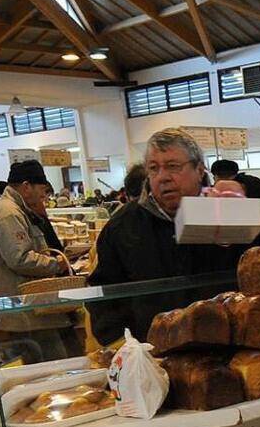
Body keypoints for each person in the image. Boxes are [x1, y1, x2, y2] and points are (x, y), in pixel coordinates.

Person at [87, 128, 243, 343]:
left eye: (173, 166)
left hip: (227, 347)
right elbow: (103, 293)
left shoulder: (226, 210)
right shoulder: (122, 226)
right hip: (153, 353)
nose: (163, 177)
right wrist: (122, 345)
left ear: (199, 169)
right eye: (153, 169)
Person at [0, 161, 77, 360]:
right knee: (51, 366)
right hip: (23, 312)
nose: (43, 196)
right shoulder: (9, 212)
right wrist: (56, 263)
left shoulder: (16, 209)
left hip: (29, 310)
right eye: (42, 190)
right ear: (27, 186)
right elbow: (19, 258)